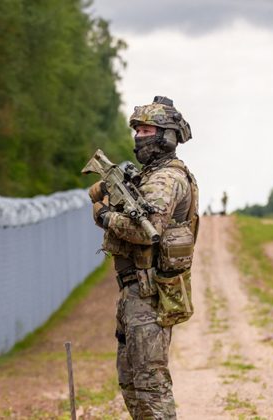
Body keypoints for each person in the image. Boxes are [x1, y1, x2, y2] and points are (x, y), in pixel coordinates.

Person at [89, 96, 198, 419]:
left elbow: (143, 232)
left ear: (167, 135)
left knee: (149, 383)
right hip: (135, 291)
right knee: (131, 380)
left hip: (148, 292)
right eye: (137, 130)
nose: (139, 137)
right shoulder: (151, 175)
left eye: (147, 129)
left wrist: (106, 217)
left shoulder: (166, 179)